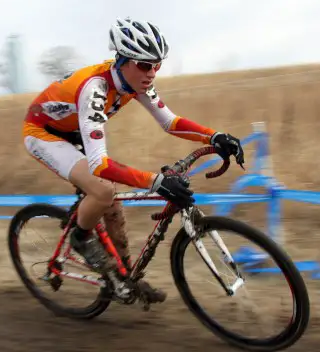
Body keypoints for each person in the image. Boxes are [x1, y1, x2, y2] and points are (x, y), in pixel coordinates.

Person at [22, 17, 245, 304]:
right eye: (144, 64)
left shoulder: (137, 81)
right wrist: (157, 181)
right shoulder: (96, 88)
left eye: (157, 64)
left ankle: (124, 277)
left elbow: (170, 122)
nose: (151, 73)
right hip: (42, 132)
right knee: (102, 189)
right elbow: (99, 164)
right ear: (122, 60)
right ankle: (80, 237)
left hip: (73, 127)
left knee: (112, 203)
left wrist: (214, 137)